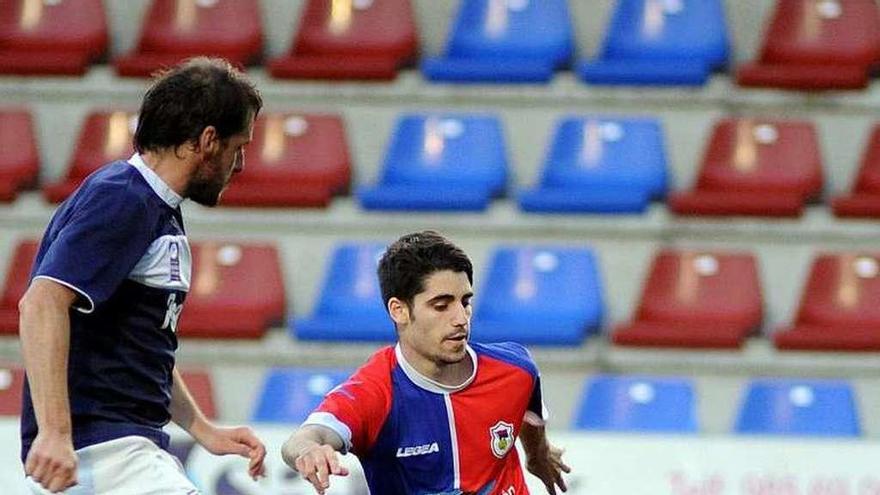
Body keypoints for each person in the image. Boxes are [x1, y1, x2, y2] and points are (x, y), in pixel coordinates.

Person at [18, 57, 267, 494]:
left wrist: (202, 429)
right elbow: (41, 303)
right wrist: (55, 432)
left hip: (126, 448)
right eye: (237, 146)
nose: (241, 163)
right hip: (102, 452)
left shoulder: (154, 209)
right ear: (208, 140)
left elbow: (138, 346)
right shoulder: (123, 200)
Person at [281, 231, 571, 495]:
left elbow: (527, 412)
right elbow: (305, 437)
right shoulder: (375, 392)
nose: (461, 319)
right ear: (399, 311)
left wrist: (537, 453)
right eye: (441, 305)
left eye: (465, 302)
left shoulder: (515, 369)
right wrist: (308, 450)